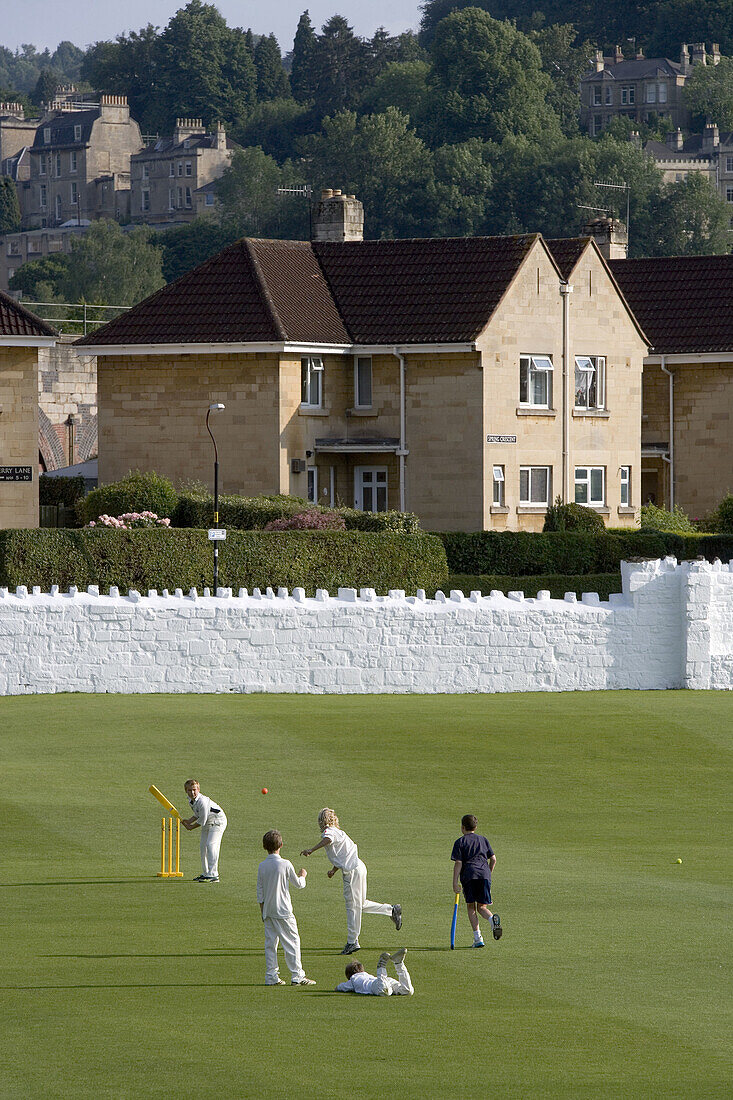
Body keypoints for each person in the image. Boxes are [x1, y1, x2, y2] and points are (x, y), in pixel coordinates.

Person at [301, 808, 402, 955]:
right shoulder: (339, 832)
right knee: (359, 905)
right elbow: (343, 855)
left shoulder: (329, 832)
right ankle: (392, 910)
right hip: (358, 867)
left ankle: (352, 942)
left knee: (352, 907)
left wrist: (311, 850)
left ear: (322, 821)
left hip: (352, 872)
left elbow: (328, 840)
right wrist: (334, 870)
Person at [257, 829, 315, 987]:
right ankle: (297, 975)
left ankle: (271, 976)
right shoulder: (285, 864)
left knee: (270, 944)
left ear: (264, 847)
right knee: (293, 942)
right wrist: (303, 875)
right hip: (283, 911)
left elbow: (260, 892)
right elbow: (298, 884)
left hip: (268, 911)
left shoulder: (262, 866)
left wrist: (263, 911)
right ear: (281, 845)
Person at [451, 813, 502, 947]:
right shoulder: (483, 840)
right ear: (476, 827)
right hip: (484, 874)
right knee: (482, 906)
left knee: (471, 907)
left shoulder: (460, 842)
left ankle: (478, 938)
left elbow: (458, 863)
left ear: (462, 827)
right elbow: (494, 859)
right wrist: (488, 873)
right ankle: (491, 920)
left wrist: (455, 882)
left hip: (469, 875)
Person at [181, 779, 227, 882]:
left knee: (211, 845)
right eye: (189, 790)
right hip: (207, 822)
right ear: (186, 791)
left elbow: (202, 820)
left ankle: (214, 875)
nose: (192, 792)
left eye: (194, 790)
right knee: (203, 847)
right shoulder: (190, 800)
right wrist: (188, 821)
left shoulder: (202, 801)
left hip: (217, 821)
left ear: (198, 789)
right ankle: (206, 873)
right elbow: (198, 814)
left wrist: (190, 827)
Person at [335, 948, 413, 996]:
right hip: (384, 981)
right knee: (406, 990)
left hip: (376, 985)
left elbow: (340, 987)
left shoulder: (353, 979)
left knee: (384, 991)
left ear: (349, 975)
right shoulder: (366, 975)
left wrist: (337, 988)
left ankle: (381, 964)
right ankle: (399, 964)